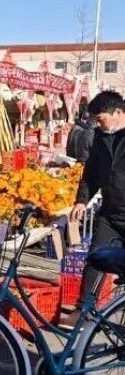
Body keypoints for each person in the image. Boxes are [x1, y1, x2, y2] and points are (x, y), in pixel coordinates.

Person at [63, 91, 125, 328]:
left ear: (118, 113)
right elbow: (91, 172)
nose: (98, 124)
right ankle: (84, 311)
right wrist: (82, 200)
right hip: (110, 212)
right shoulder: (100, 137)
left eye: (101, 119)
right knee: (96, 258)